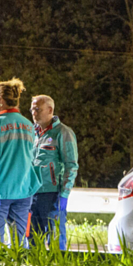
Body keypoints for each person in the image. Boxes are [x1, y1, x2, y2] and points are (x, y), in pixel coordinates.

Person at [0, 78, 40, 247]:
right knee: (19, 242)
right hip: (23, 191)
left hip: (0, 191)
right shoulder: (28, 124)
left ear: (1, 101)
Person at [29, 95, 79, 250]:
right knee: (31, 238)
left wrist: (64, 194)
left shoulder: (63, 133)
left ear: (50, 110)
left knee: (55, 238)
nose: (34, 113)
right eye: (32, 109)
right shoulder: (32, 133)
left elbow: (71, 165)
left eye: (38, 109)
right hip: (31, 193)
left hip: (52, 194)